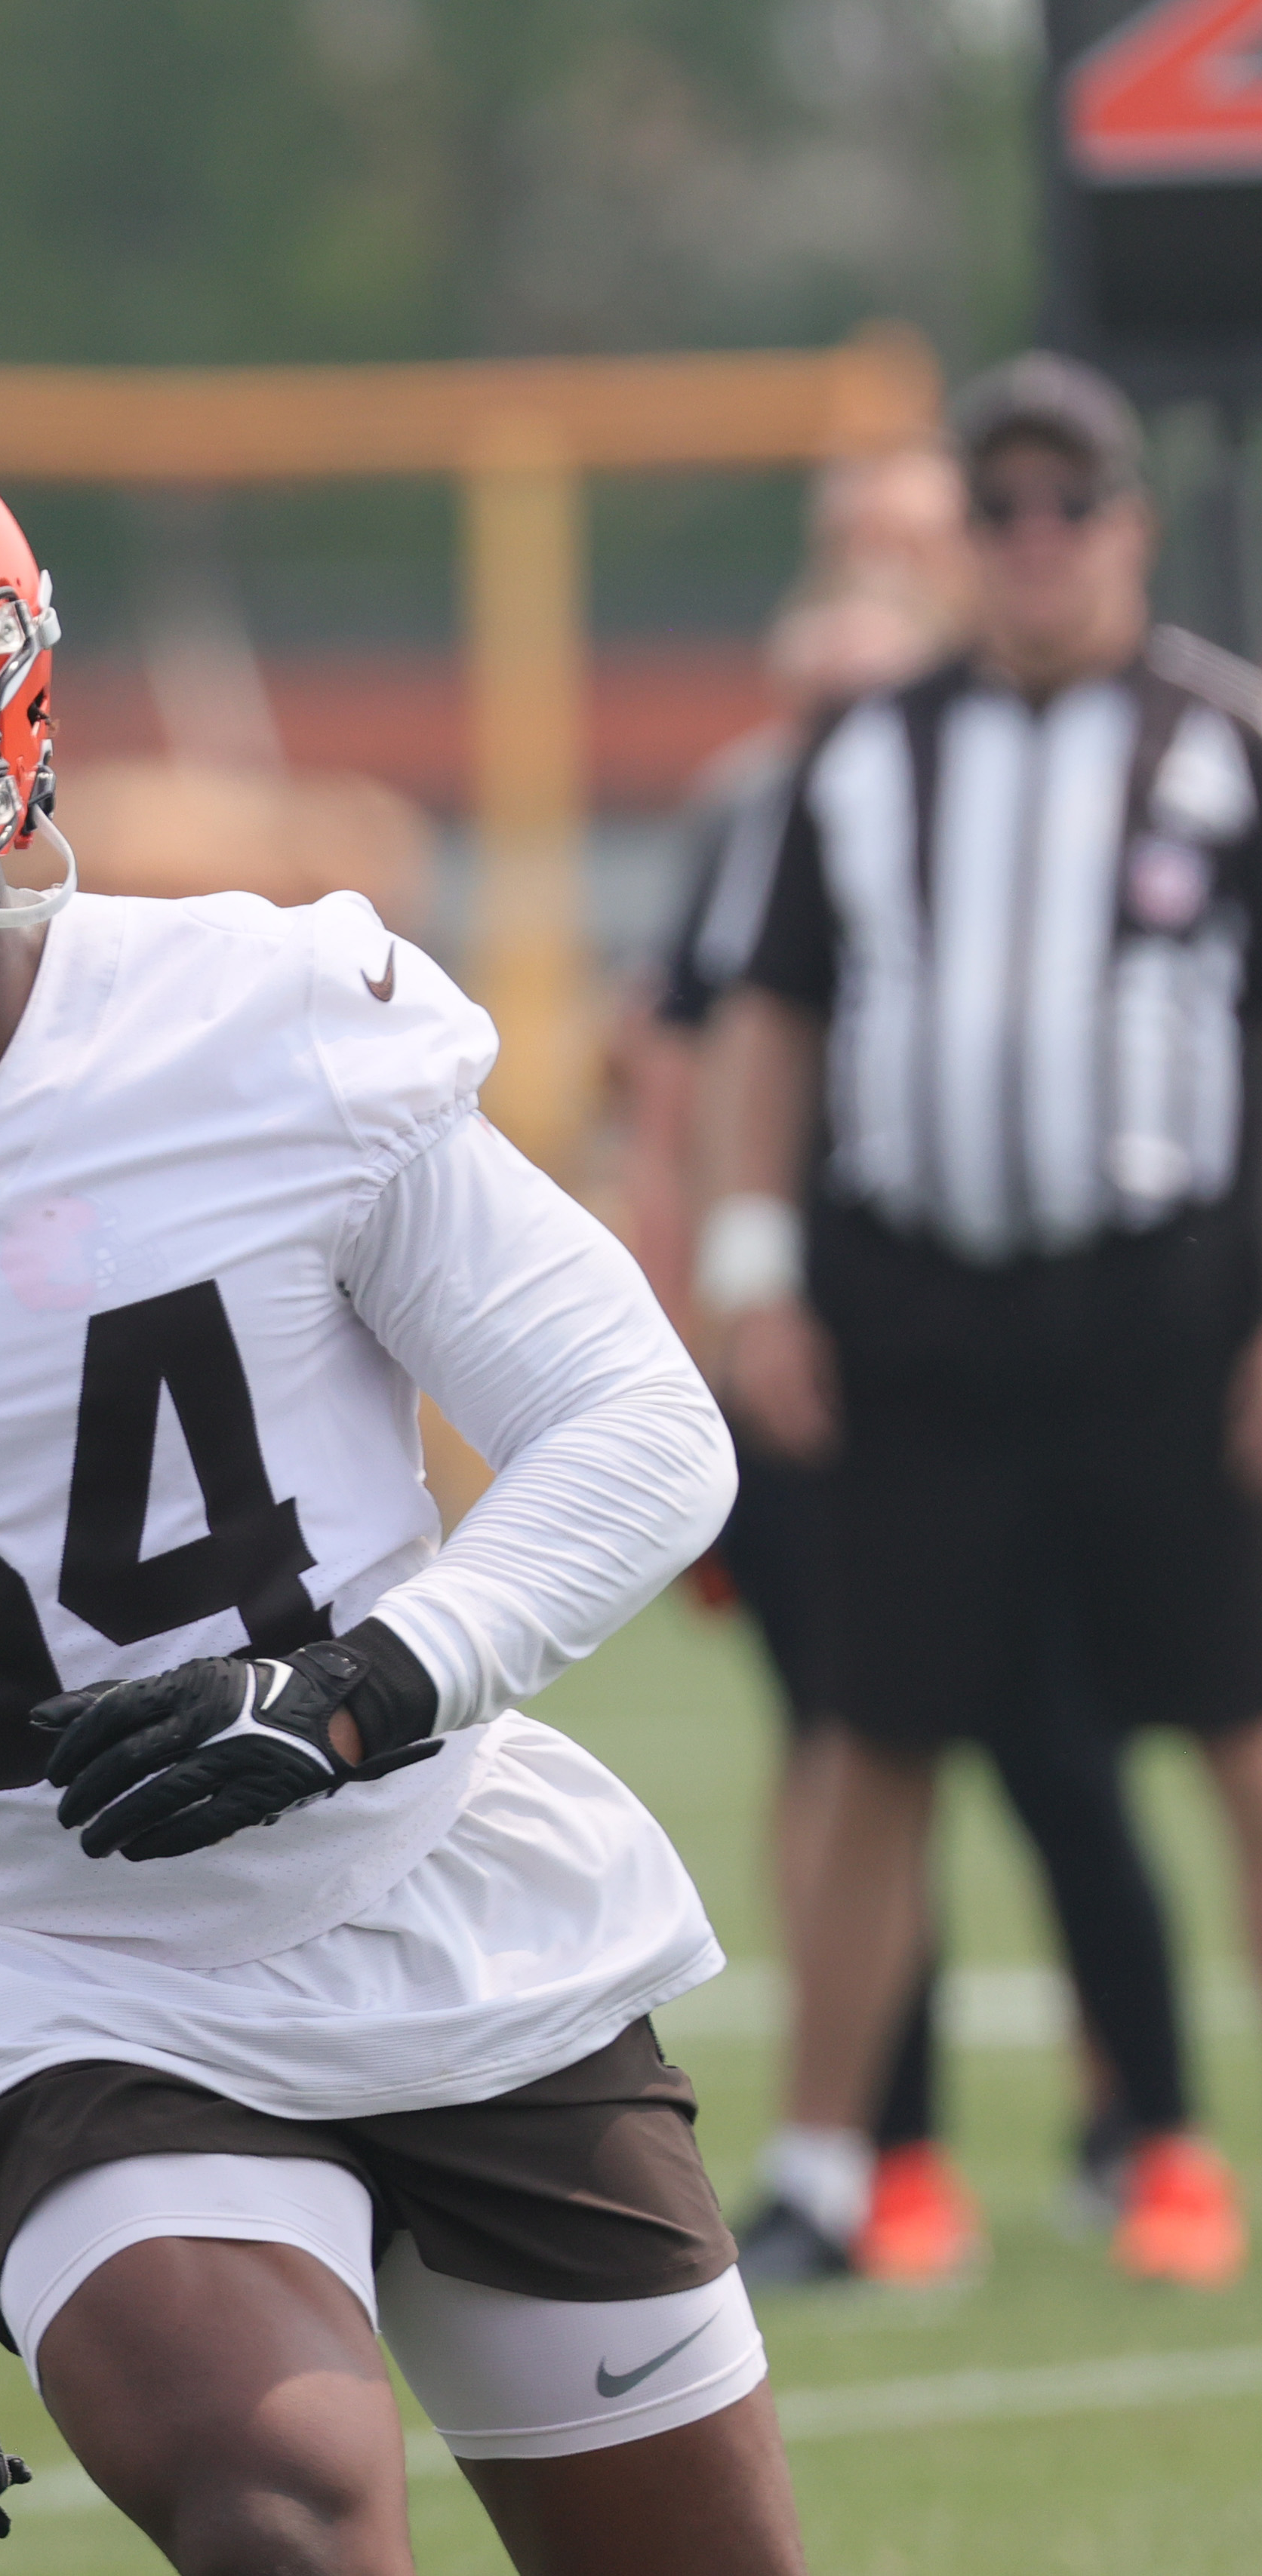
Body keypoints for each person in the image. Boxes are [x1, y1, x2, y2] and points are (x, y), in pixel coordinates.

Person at [0, 404, 796, 2573]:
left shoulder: (264, 1021)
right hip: (74, 1988)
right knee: (278, 2501)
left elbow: (643, 1429)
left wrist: (359, 1685)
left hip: (442, 1901)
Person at [710, 351, 1262, 2293]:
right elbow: (768, 1017)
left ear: (1126, 525)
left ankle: (1191, 2146)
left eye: (1068, 508)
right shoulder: (860, 755)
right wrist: (750, 1269)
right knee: (869, 1739)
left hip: (1165, 1316)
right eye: (1000, 511)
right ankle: (826, 2166)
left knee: (1233, 1726)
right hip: (915, 1317)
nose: (1033, 545)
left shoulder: (1222, 740)